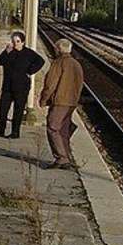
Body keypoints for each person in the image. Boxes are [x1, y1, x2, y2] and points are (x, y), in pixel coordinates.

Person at [39, 38, 85, 168]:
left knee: (53, 127)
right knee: (63, 128)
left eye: (55, 48)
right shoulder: (76, 64)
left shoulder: (59, 63)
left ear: (58, 49)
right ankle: (66, 155)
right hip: (72, 101)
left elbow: (50, 83)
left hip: (60, 101)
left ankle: (61, 157)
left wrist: (44, 99)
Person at [0, 31, 45, 138]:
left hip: (21, 87)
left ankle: (15, 132)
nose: (15, 44)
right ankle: (0, 129)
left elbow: (40, 61)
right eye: (13, 41)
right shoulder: (8, 52)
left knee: (18, 110)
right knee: (3, 109)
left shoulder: (29, 53)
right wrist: (6, 52)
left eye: (18, 41)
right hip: (7, 86)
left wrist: (30, 71)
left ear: (22, 42)